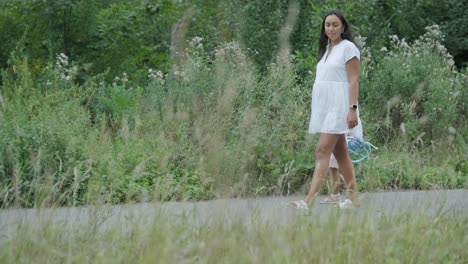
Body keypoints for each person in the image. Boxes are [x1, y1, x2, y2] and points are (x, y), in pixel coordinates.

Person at [288, 10, 361, 210]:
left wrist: (352, 109)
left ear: (343, 27)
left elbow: (353, 80)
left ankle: (307, 202)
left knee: (321, 151)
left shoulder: (349, 48)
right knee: (341, 155)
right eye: (327, 25)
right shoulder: (327, 49)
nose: (331, 28)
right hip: (326, 107)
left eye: (335, 24)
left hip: (340, 107)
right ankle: (354, 201)